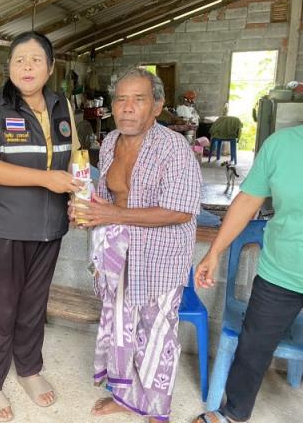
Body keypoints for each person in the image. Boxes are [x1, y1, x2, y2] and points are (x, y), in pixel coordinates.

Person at [71, 67, 201, 422]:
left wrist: (112, 213)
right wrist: (85, 209)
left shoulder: (173, 148)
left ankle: (158, 411)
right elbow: (106, 197)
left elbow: (180, 211)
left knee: (156, 334)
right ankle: (125, 397)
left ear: (156, 106)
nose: (127, 108)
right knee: (121, 328)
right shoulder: (110, 142)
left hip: (159, 257)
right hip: (118, 253)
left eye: (138, 99)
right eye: (120, 99)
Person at [0, 31, 82, 422]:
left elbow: (74, 155)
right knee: (1, 307)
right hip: (5, 226)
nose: (27, 67)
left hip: (49, 226)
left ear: (50, 67)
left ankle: (29, 369)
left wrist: (79, 195)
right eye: (19, 60)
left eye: (35, 59)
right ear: (9, 68)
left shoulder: (62, 105)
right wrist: (45, 179)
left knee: (34, 304)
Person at [192, 125, 303, 423]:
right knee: (252, 349)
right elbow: (248, 200)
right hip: (280, 272)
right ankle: (234, 413)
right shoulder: (281, 145)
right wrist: (214, 252)